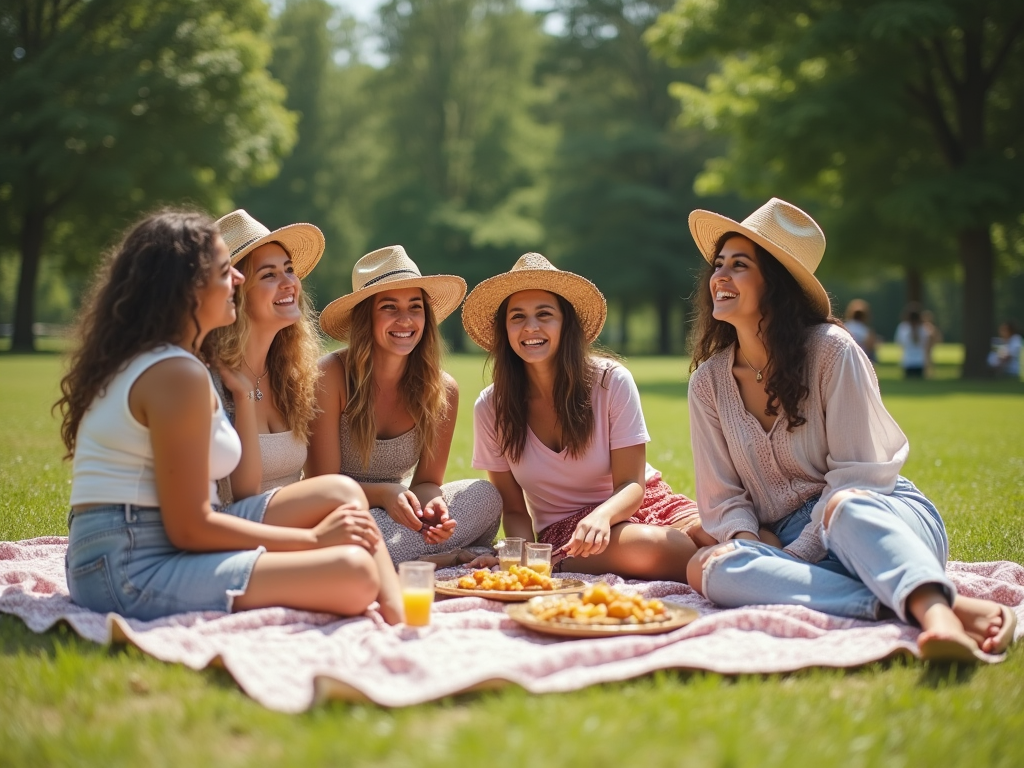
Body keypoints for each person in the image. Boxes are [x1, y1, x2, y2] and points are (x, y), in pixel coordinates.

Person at [683, 197, 1016, 662]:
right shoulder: (708, 384)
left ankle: (939, 622)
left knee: (844, 506)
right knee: (708, 568)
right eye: (719, 264)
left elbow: (859, 477)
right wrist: (750, 546)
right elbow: (723, 502)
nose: (720, 276)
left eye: (740, 265)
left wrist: (793, 557)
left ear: (775, 284)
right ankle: (932, 605)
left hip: (879, 522)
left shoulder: (832, 352)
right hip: (792, 548)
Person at [57, 210, 403, 623]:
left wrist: (244, 394)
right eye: (226, 271)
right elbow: (190, 527)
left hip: (153, 541)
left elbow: (237, 492)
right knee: (353, 573)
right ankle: (400, 625)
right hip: (128, 563)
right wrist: (311, 540)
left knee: (340, 492)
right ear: (187, 289)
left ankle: (400, 616)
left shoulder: (180, 364)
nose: (238, 280)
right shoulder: (176, 373)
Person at [462, 253, 701, 581]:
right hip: (569, 532)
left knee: (719, 537)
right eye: (518, 317)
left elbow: (632, 484)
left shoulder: (610, 381)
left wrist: (603, 516)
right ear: (505, 329)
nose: (531, 327)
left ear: (565, 323)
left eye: (544, 314)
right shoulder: (491, 407)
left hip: (641, 503)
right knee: (665, 549)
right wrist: (522, 561)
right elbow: (515, 509)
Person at [307, 245, 502, 567]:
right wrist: (385, 494)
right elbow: (322, 485)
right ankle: (445, 558)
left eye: (415, 307)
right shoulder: (331, 375)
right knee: (351, 542)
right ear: (365, 316)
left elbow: (426, 483)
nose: (405, 319)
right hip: (337, 513)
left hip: (397, 514)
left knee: (484, 496)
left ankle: (409, 557)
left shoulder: (442, 389)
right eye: (389, 307)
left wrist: (433, 510)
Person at [206, 209, 325, 499]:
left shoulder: (294, 375)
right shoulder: (210, 378)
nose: (289, 283)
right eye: (269, 274)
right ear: (235, 291)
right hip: (243, 528)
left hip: (298, 523)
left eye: (289, 269)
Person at [894, 303, 931, 378]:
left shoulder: (903, 327)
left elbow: (899, 342)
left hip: (913, 360)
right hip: (914, 360)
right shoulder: (923, 328)